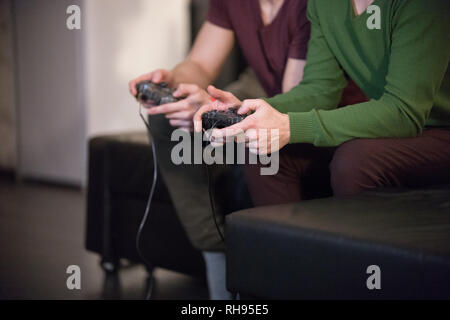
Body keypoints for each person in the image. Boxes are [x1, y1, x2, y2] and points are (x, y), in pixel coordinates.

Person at [129, 0, 318, 299]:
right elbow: (201, 65)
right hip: (258, 85)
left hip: (301, 99)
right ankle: (215, 254)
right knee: (168, 121)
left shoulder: (308, 7)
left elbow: (295, 94)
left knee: (245, 128)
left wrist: (214, 107)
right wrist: (174, 83)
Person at [194, 0, 450, 206]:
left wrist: (291, 127)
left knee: (357, 161)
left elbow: (403, 112)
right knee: (261, 147)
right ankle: (293, 266)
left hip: (440, 130)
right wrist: (249, 111)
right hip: (403, 125)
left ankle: (359, 269)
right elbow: (320, 90)